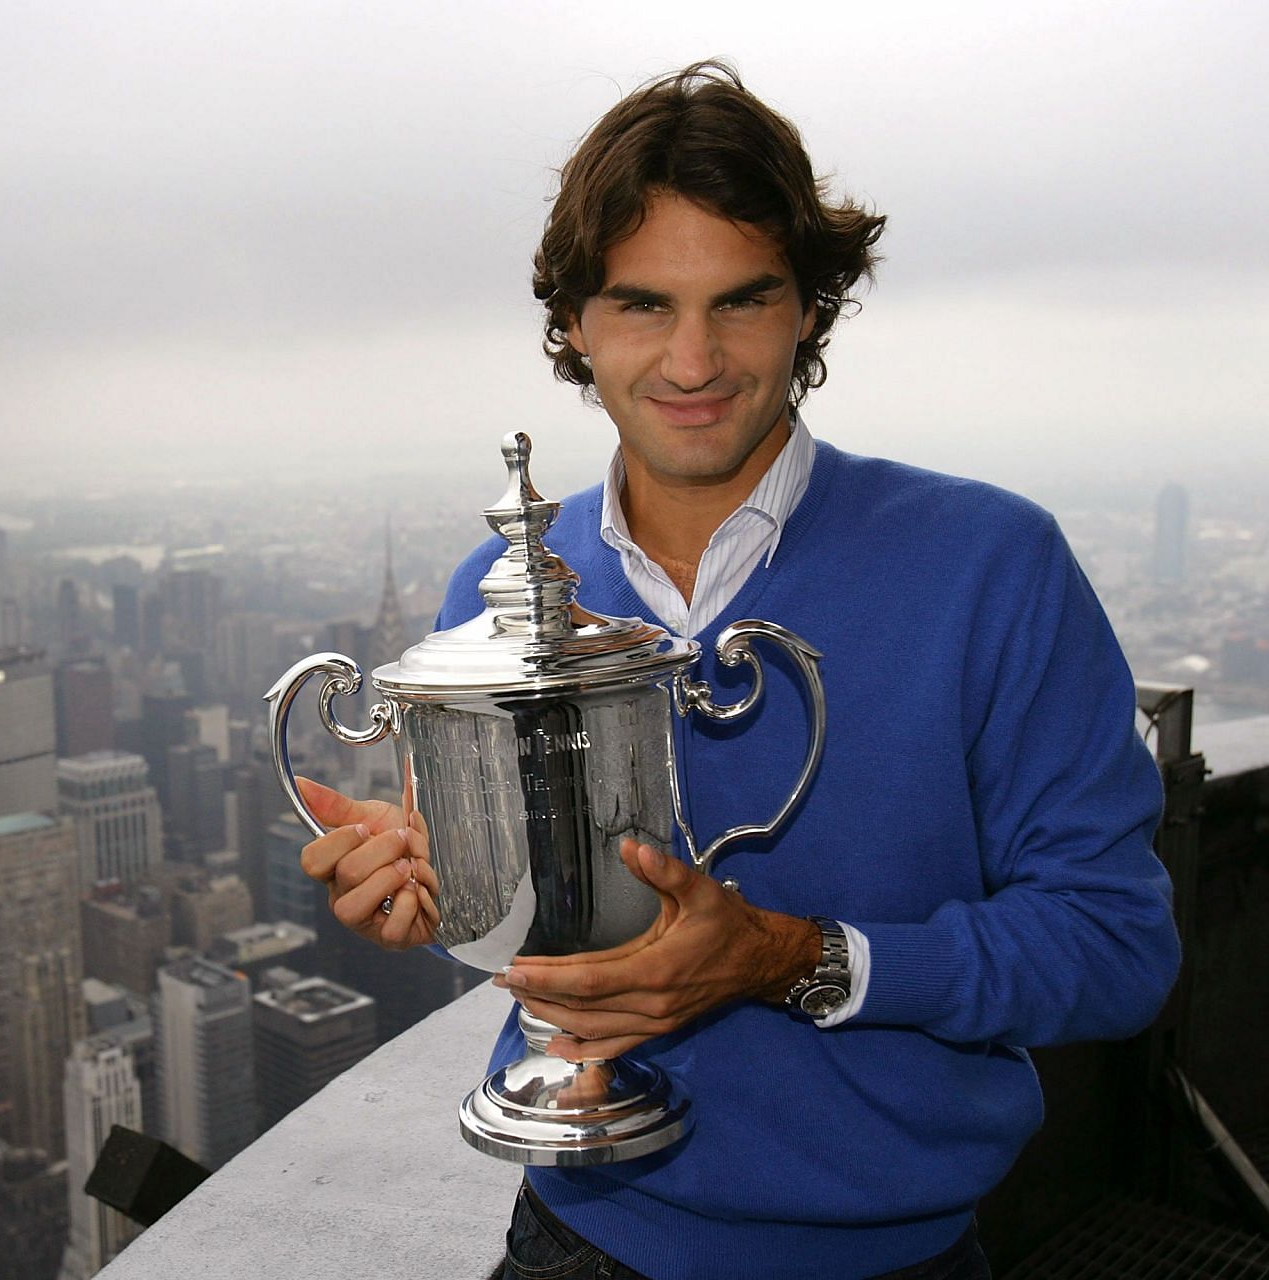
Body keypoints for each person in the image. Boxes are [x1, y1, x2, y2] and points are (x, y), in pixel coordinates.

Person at [295, 61, 1180, 1280]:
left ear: (810, 308)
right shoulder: (487, 606)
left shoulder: (990, 567)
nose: (694, 359)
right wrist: (423, 888)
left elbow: (1114, 945)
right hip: (573, 1238)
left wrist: (789, 954)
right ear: (575, 326)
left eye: (743, 301)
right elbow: (533, 926)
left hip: (891, 1261)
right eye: (642, 304)